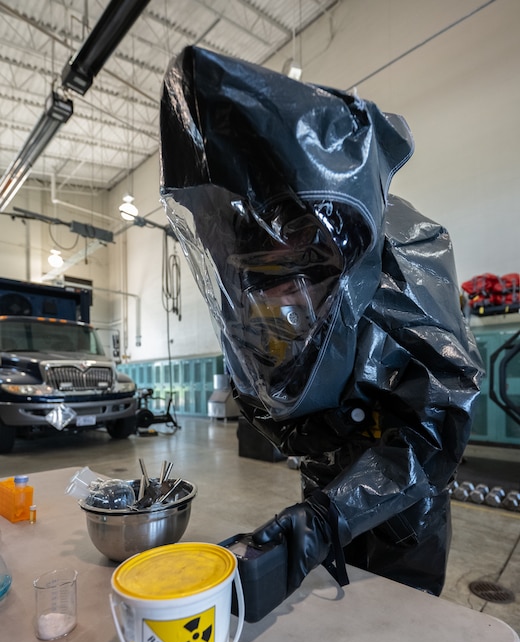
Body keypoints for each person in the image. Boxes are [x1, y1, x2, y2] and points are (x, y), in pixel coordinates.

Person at [159, 46, 484, 609]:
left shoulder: (405, 265)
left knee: (399, 630)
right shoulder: (255, 287)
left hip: (404, 513)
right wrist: (317, 511)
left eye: (288, 274)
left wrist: (329, 516)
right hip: (323, 495)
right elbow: (268, 395)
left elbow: (433, 428)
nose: (275, 296)